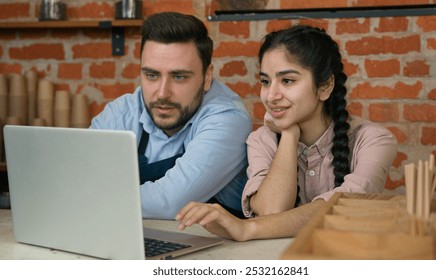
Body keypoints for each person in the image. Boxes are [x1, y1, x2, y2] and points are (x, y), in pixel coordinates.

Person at [176, 25, 398, 241]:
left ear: (325, 87)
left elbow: (344, 206)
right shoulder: (261, 140)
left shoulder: (373, 140)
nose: (271, 95)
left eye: (287, 81)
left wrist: (247, 229)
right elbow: (270, 211)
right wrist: (290, 135)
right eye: (265, 81)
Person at [90, 12, 252, 219]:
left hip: (214, 246)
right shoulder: (122, 113)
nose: (162, 93)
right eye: (151, 75)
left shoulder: (228, 119)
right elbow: (81, 177)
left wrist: (92, 197)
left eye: (179, 77)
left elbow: (169, 202)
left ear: (207, 76)